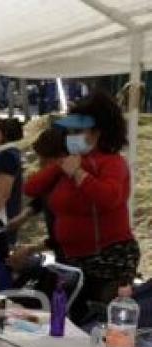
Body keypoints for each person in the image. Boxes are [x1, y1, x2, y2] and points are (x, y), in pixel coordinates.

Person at [24, 91, 139, 317]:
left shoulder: (112, 163)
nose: (71, 136)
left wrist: (78, 174)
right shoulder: (69, 162)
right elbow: (31, 188)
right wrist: (59, 167)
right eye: (70, 131)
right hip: (73, 261)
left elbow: (110, 197)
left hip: (107, 262)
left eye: (78, 131)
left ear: (98, 132)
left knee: (89, 324)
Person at [7, 127, 68, 270]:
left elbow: (64, 239)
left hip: (77, 262)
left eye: (44, 160)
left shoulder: (69, 186)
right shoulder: (53, 179)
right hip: (63, 257)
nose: (40, 165)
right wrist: (25, 214)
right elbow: (42, 198)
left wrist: (31, 249)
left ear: (61, 157)